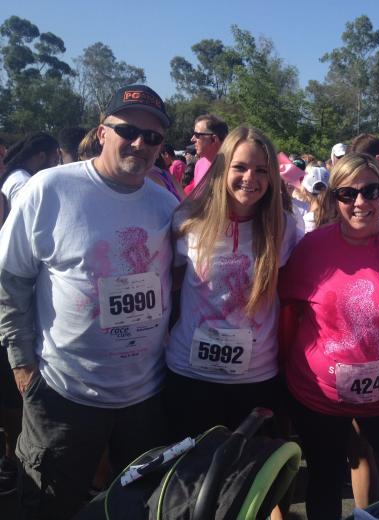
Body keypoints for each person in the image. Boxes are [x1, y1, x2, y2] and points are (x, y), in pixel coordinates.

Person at [0, 84, 178, 520]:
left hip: (144, 397)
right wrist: (22, 365)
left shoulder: (165, 205)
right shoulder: (49, 189)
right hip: (64, 394)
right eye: (128, 131)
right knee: (47, 506)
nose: (140, 143)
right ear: (102, 132)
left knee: (134, 507)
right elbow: (9, 279)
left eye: (152, 137)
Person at [279, 153, 379, 519]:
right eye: (347, 194)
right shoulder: (312, 248)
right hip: (317, 397)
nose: (360, 202)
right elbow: (289, 313)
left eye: (371, 191)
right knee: (325, 481)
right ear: (334, 200)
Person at [164, 126, 300, 440]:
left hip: (256, 378)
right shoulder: (187, 220)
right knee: (189, 481)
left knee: (246, 482)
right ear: (223, 169)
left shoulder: (286, 227)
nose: (250, 179)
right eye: (239, 167)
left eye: (261, 170)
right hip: (189, 375)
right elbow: (171, 287)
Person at [1, 133, 60, 217]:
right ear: (42, 157)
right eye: (54, 161)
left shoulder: (15, 175)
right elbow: (26, 222)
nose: (55, 167)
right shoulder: (23, 183)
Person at [189, 113, 229, 192]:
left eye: (197, 135)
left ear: (214, 139)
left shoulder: (232, 167)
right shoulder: (199, 164)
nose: (192, 139)